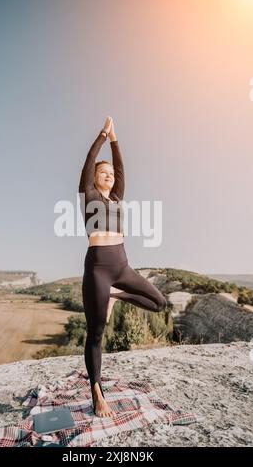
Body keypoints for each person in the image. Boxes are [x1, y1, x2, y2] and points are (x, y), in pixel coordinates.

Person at [79, 116, 167, 417]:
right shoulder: (88, 197)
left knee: (159, 303)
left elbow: (122, 169)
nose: (109, 175)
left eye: (110, 173)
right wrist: (104, 134)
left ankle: (115, 295)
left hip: (123, 268)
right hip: (98, 270)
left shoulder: (117, 198)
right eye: (103, 173)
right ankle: (96, 392)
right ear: (93, 178)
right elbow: (89, 159)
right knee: (97, 332)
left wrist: (117, 142)